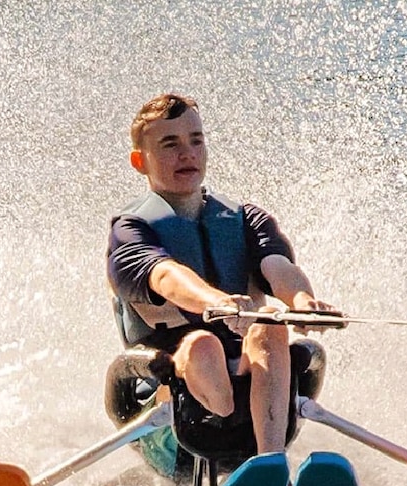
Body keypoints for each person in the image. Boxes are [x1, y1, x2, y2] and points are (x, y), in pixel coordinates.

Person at [106, 93, 334, 463]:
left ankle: (268, 464)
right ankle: (227, 427)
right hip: (170, 403)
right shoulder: (131, 231)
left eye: (196, 140)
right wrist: (216, 302)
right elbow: (165, 276)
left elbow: (278, 268)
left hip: (252, 386)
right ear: (139, 161)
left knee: (271, 330)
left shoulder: (245, 219)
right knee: (203, 346)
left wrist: (304, 302)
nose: (187, 153)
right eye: (170, 144)